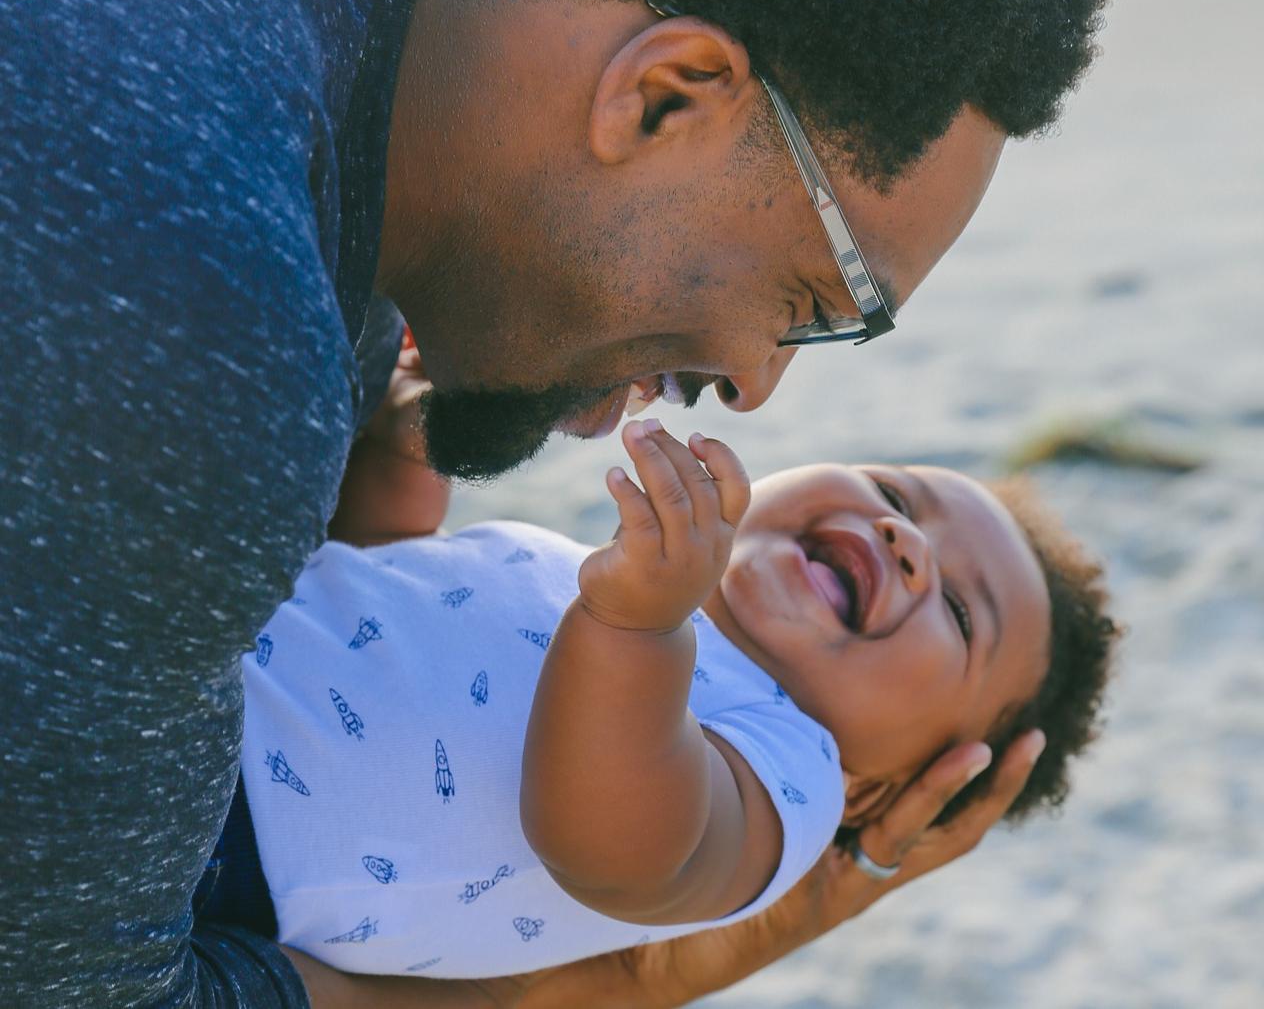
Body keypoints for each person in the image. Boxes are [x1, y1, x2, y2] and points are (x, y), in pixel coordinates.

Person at [0, 0, 1113, 1005]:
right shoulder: (202, 328)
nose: (754, 382)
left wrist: (391, 454)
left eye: (959, 609)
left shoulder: (267, 50)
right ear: (666, 96)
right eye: (813, 303)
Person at [197, 420, 1115, 980]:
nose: (903, 540)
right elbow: (380, 615)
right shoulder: (610, 580)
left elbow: (613, 848)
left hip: (225, 839)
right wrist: (410, 455)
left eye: (960, 612)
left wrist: (636, 625)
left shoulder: (786, 775)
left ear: (875, 790)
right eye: (895, 495)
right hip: (202, 652)